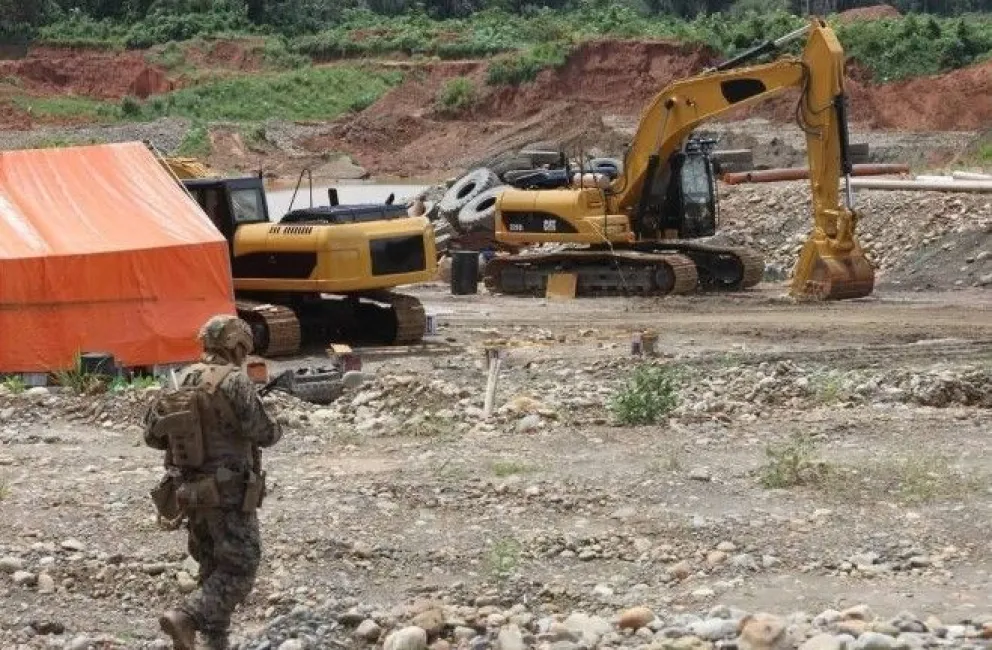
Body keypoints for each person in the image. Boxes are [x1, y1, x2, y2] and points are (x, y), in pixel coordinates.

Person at [143, 314, 282, 650]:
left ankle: (213, 642)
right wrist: (278, 422)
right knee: (240, 566)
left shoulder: (179, 379)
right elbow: (264, 433)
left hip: (190, 492)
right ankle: (186, 618)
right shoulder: (234, 381)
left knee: (211, 566)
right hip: (228, 492)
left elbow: (152, 435)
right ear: (237, 345)